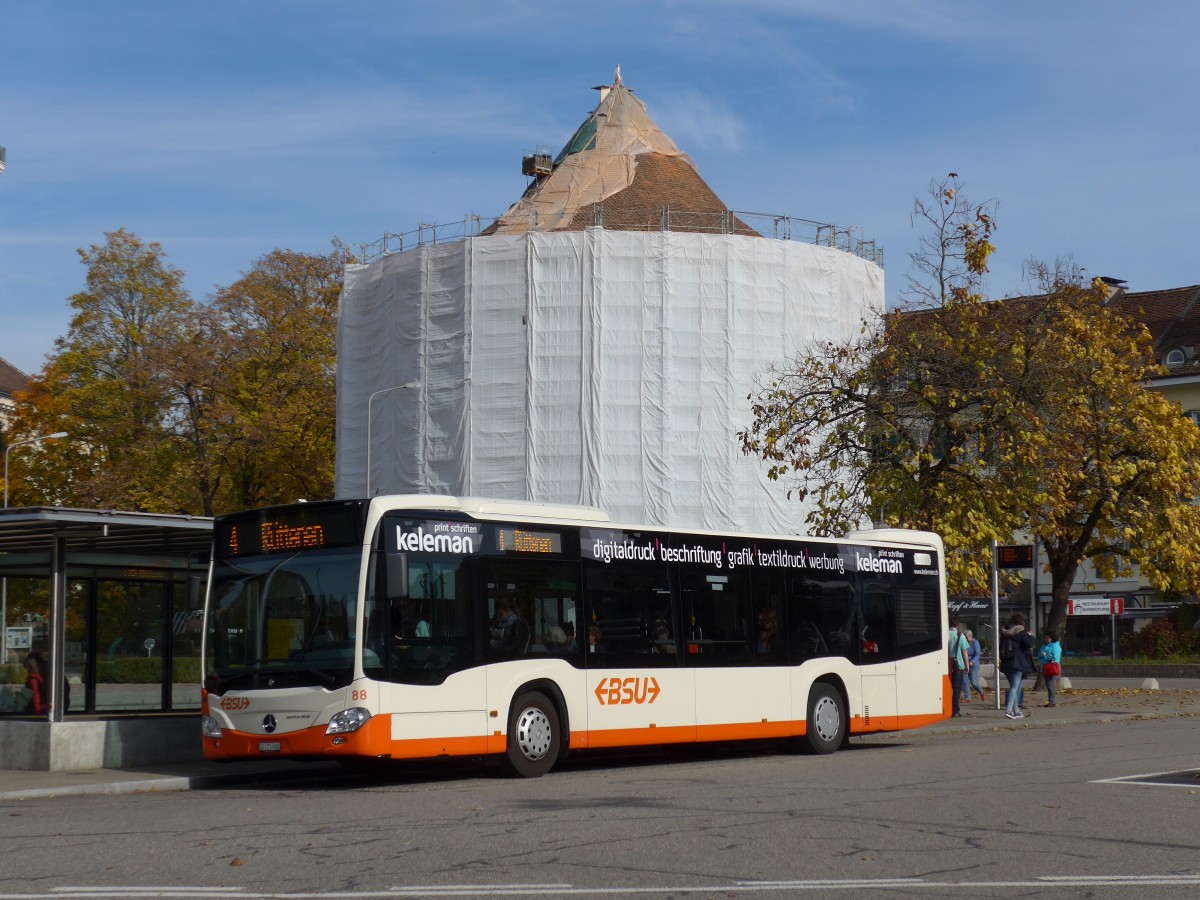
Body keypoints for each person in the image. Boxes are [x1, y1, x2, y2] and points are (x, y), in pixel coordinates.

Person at [1000, 613, 1035, 719]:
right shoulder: (1021, 633)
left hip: (1006, 663)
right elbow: (1029, 644)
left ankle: (1016, 711)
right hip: (1018, 663)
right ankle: (1009, 710)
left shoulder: (1004, 633)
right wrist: (1031, 635)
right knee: (1015, 687)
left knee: (1014, 687)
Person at [947, 616, 968, 717]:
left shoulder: (945, 634)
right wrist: (967, 665)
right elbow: (964, 652)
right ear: (957, 625)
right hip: (958, 665)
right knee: (957, 689)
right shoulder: (960, 635)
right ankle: (955, 710)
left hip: (947, 665)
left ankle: (946, 709)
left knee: (947, 688)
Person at [1039, 631, 1062, 707]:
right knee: (1049, 685)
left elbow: (1055, 658)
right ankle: (1051, 701)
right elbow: (1040, 655)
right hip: (1044, 666)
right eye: (1045, 638)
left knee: (1050, 685)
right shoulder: (1045, 645)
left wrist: (1045, 655)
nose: (1046, 639)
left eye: (1047, 638)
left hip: (1051, 667)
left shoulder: (1055, 646)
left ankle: (1052, 701)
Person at [963, 630, 986, 702]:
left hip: (974, 664)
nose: (965, 639)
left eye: (966, 637)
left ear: (970, 636)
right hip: (964, 663)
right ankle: (968, 698)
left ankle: (981, 692)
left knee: (973, 682)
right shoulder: (963, 643)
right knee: (965, 681)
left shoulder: (975, 642)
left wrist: (972, 661)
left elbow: (977, 654)